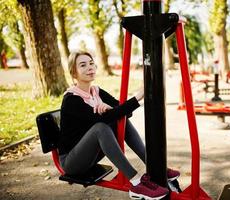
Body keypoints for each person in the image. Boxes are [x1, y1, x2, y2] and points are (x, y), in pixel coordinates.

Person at [58, 51, 180, 200]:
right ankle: (136, 183)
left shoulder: (96, 92)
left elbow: (123, 113)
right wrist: (137, 97)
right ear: (74, 73)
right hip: (72, 162)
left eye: (91, 63)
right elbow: (107, 119)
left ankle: (156, 168)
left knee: (120, 121)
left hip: (91, 155)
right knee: (100, 128)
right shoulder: (72, 100)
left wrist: (110, 108)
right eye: (83, 65)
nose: (89, 67)